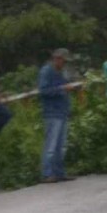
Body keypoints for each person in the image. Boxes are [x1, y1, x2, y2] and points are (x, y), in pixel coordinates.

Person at [39, 48, 78, 183]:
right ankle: (47, 173)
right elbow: (43, 91)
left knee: (61, 146)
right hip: (52, 113)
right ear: (57, 58)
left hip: (62, 112)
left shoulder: (61, 72)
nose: (64, 64)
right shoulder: (46, 71)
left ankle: (59, 173)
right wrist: (61, 89)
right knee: (51, 145)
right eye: (63, 61)